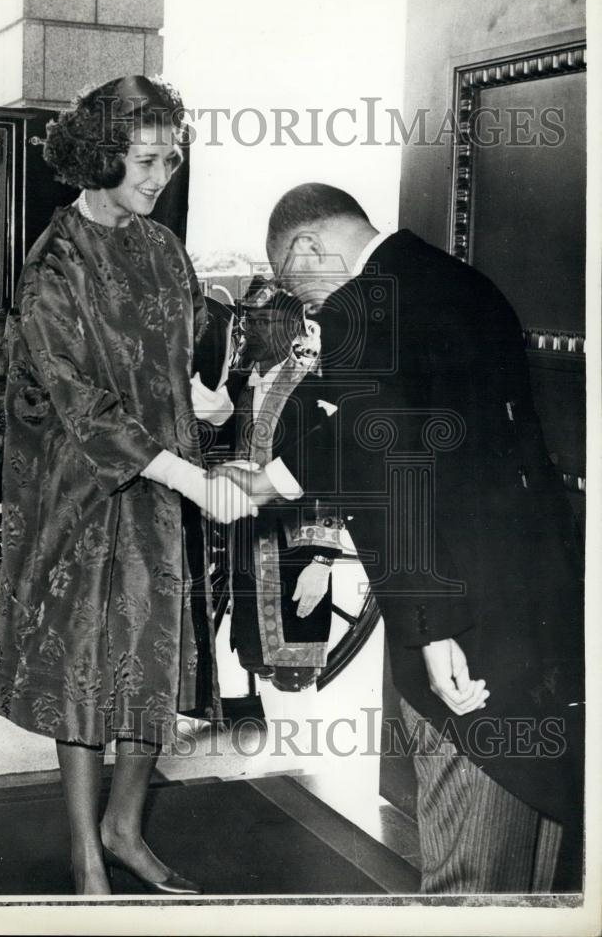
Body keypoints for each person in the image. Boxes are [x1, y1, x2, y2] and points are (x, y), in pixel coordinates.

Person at [221, 182, 584, 893]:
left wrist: (431, 627)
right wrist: (271, 482)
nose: (310, 310)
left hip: (458, 608)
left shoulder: (363, 305)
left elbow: (392, 477)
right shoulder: (457, 282)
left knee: (471, 858)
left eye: (304, 293)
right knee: (538, 831)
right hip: (531, 589)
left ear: (307, 247)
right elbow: (379, 426)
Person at [0, 75, 254, 896]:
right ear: (101, 154)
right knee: (83, 668)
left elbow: (169, 368)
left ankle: (125, 828)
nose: (159, 176)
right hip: (77, 494)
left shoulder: (163, 248)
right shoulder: (53, 262)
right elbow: (74, 397)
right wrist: (184, 471)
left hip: (159, 492)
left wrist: (205, 406)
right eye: (144, 159)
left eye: (170, 160)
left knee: (151, 657)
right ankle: (84, 852)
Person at [219, 282, 339, 692]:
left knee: (294, 674)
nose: (248, 328)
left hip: (295, 553)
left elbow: (329, 477)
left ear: (289, 329)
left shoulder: (311, 387)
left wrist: (321, 562)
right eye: (247, 318)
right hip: (247, 548)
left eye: (260, 320)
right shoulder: (238, 384)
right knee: (253, 655)